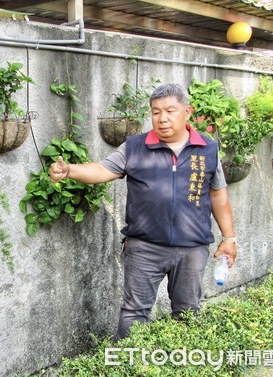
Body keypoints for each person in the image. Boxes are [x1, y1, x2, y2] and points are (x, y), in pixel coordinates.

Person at [49, 83, 237, 339]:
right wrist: (69, 170)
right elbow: (103, 170)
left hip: (192, 249)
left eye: (170, 111)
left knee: (187, 313)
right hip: (144, 248)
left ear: (188, 111)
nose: (162, 118)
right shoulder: (135, 147)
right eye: (156, 112)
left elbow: (218, 194)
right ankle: (131, 365)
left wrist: (229, 238)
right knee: (134, 314)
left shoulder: (207, 148)